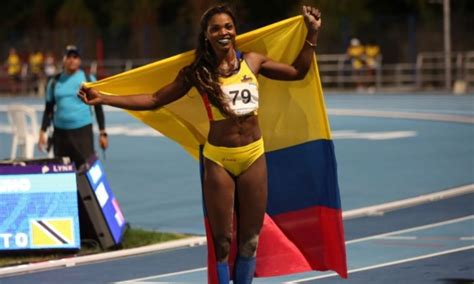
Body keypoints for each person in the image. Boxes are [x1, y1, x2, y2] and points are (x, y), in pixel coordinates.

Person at [79, 5, 321, 284]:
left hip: (253, 155)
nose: (223, 32)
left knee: (250, 241)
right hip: (219, 159)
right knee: (222, 243)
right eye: (215, 28)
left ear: (235, 30)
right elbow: (155, 99)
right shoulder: (198, 73)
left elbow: (297, 71)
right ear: (206, 35)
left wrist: (311, 33)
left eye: (228, 26)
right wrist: (104, 97)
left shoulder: (253, 62)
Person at [39, 45, 108, 170]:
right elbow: (48, 109)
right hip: (60, 134)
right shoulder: (54, 81)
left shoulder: (88, 80)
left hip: (82, 133)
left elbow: (98, 108)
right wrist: (42, 132)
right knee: (62, 170)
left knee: (85, 170)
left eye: (75, 57)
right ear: (63, 60)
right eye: (69, 56)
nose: (72, 60)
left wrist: (103, 133)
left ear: (79, 60)